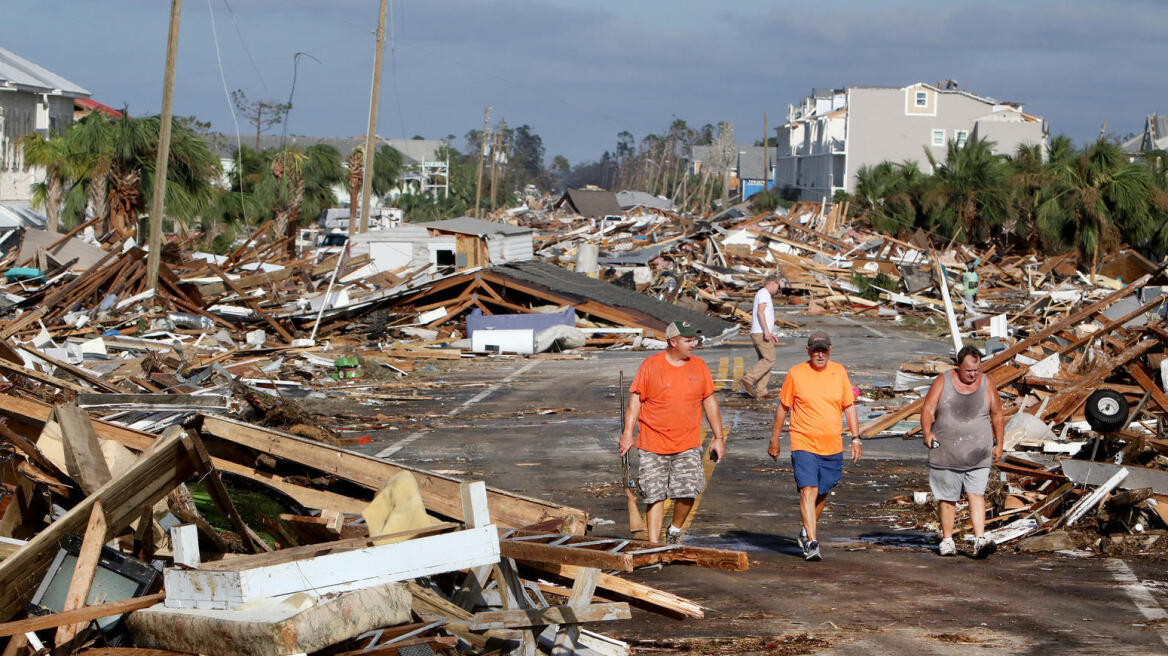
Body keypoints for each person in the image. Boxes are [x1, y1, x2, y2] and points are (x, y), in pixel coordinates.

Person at [620, 320, 726, 544]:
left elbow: (709, 401)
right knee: (654, 495)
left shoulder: (699, 366)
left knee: (688, 491)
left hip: (687, 443)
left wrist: (718, 437)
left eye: (694, 339)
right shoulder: (651, 365)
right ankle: (654, 545)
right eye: (688, 340)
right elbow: (635, 401)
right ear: (672, 341)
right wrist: (628, 433)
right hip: (652, 443)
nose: (693, 344)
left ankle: (675, 530)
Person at [768, 331, 861, 561]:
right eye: (816, 350)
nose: (820, 354)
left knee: (822, 492)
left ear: (831, 350)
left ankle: (806, 531)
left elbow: (849, 406)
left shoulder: (839, 372)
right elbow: (783, 407)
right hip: (803, 441)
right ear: (807, 351)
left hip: (832, 444)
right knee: (808, 489)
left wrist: (856, 437)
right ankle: (811, 542)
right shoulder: (796, 374)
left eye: (824, 350)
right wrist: (775, 439)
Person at [921, 345, 1004, 558]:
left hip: (978, 452)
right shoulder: (943, 381)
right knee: (947, 497)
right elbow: (928, 409)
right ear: (958, 366)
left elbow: (997, 414)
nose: (973, 375)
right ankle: (948, 540)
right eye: (968, 370)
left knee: (977, 494)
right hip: (947, 452)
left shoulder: (986, 383)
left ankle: (980, 540)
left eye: (976, 370)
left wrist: (999, 443)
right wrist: (927, 433)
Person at [739, 276, 781, 398]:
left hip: (760, 331)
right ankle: (749, 378)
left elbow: (764, 315)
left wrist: (770, 331)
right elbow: (760, 312)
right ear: (773, 283)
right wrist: (766, 331)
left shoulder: (763, 294)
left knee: (765, 360)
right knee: (769, 359)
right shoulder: (764, 294)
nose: (778, 289)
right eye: (778, 286)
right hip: (761, 332)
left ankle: (762, 391)